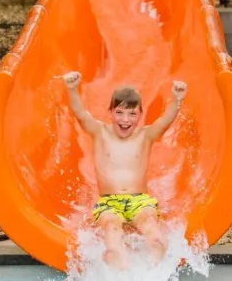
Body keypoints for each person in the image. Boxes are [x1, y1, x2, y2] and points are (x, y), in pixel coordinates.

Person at [62, 72, 187, 269]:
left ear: (140, 115)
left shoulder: (146, 135)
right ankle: (117, 262)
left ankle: (156, 259)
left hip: (140, 199)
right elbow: (80, 114)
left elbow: (165, 120)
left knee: (148, 222)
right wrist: (72, 89)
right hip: (108, 201)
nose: (125, 119)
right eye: (119, 112)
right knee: (111, 227)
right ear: (110, 112)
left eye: (132, 114)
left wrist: (177, 99)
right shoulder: (99, 131)